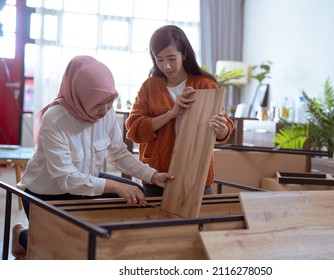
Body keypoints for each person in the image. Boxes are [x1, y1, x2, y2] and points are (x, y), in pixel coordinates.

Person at [11, 55, 173, 259]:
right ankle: (21, 236)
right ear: (80, 96)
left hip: (84, 186)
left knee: (136, 194)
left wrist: (152, 175)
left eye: (109, 101)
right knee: (64, 250)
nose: (105, 109)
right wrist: (114, 186)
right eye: (98, 104)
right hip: (46, 193)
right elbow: (66, 179)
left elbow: (119, 153)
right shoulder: (56, 118)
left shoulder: (106, 112)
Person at [125, 25, 234, 197]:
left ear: (184, 54)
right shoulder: (149, 87)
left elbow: (224, 127)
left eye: (171, 58)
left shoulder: (205, 84)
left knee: (203, 222)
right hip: (156, 175)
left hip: (197, 174)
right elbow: (134, 130)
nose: (166, 66)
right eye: (159, 59)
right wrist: (171, 113)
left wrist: (222, 130)